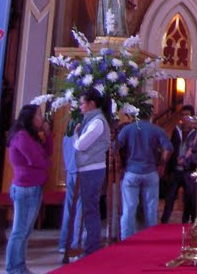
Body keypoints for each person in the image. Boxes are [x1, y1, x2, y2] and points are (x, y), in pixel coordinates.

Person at [4, 104, 52, 274]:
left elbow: (47, 152)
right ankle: (13, 267)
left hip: (34, 187)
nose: (42, 118)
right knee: (19, 231)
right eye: (39, 114)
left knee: (25, 231)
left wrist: (48, 135)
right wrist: (47, 163)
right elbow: (37, 161)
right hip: (25, 188)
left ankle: (20, 265)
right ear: (30, 117)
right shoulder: (21, 136)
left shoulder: (32, 136)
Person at [116, 108, 172, 240]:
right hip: (150, 171)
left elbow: (116, 146)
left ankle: (126, 239)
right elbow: (168, 149)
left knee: (129, 208)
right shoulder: (157, 130)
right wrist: (162, 164)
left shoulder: (128, 129)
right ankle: (150, 238)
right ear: (151, 116)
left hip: (131, 171)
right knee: (151, 208)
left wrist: (120, 165)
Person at [74, 88, 110, 257]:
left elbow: (81, 145)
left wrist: (76, 135)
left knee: (90, 209)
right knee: (89, 209)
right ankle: (91, 246)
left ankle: (92, 248)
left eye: (82, 104)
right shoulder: (92, 120)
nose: (80, 107)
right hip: (90, 168)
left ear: (91, 104)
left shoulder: (97, 122)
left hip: (92, 169)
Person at [161, 104, 197, 224]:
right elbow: (172, 147)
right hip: (175, 169)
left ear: (192, 117)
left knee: (189, 197)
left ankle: (185, 221)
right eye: (183, 115)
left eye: (188, 115)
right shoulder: (177, 130)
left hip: (189, 169)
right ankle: (164, 221)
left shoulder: (196, 133)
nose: (185, 117)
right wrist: (167, 168)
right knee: (170, 196)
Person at [57, 119, 82, 257]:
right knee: (79, 208)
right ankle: (74, 244)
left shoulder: (66, 136)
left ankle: (63, 242)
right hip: (80, 172)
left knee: (69, 208)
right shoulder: (80, 135)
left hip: (70, 171)